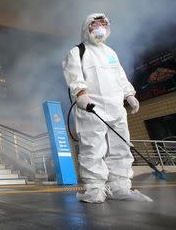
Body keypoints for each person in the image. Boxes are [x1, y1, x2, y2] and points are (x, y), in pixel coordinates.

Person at [62, 13, 152, 203]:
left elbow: (120, 76)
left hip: (116, 107)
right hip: (91, 106)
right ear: (87, 27)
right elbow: (74, 75)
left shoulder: (111, 52)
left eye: (104, 24)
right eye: (96, 24)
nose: (100, 27)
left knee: (121, 147)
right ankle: (95, 189)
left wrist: (129, 94)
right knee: (93, 147)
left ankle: (120, 187)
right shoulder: (78, 52)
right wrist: (81, 94)